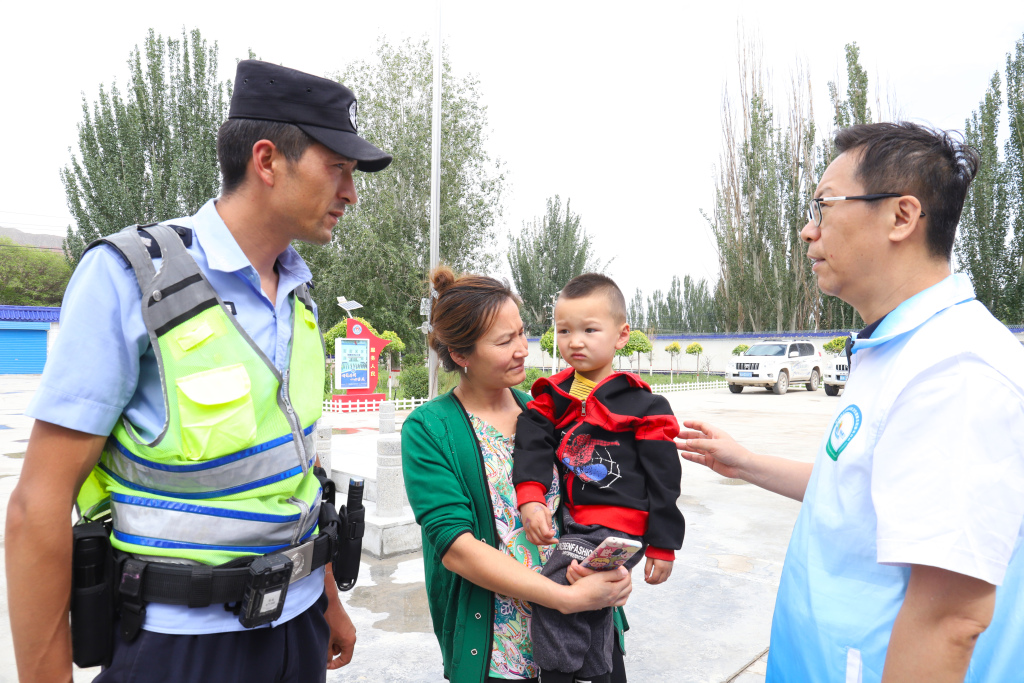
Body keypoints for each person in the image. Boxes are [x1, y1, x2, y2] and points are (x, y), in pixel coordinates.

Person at [6, 60, 392, 682]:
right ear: (267, 161)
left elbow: (296, 472)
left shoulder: (299, 297)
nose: (351, 192)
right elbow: (36, 507)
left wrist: (326, 600)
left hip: (296, 633)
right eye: (338, 168)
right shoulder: (134, 278)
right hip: (178, 645)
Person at [677, 122, 1024, 682]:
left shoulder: (954, 369)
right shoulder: (895, 348)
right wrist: (744, 463)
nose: (807, 232)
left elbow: (949, 619)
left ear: (901, 217)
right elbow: (864, 494)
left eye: (824, 206)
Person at [401, 267, 634, 683]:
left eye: (522, 333)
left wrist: (610, 570)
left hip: (583, 636)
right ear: (461, 355)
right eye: (504, 341)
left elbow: (601, 501)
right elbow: (456, 548)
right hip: (500, 653)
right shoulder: (429, 428)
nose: (523, 349)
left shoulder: (548, 411)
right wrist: (565, 598)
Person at [513, 273, 684, 683]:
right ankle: (595, 669)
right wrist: (531, 497)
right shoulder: (551, 397)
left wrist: (664, 544)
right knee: (591, 593)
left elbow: (665, 479)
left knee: (558, 582)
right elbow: (531, 446)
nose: (575, 341)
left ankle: (557, 672)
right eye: (564, 330)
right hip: (578, 524)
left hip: (621, 528)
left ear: (621, 335)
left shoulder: (645, 404)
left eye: (590, 330)